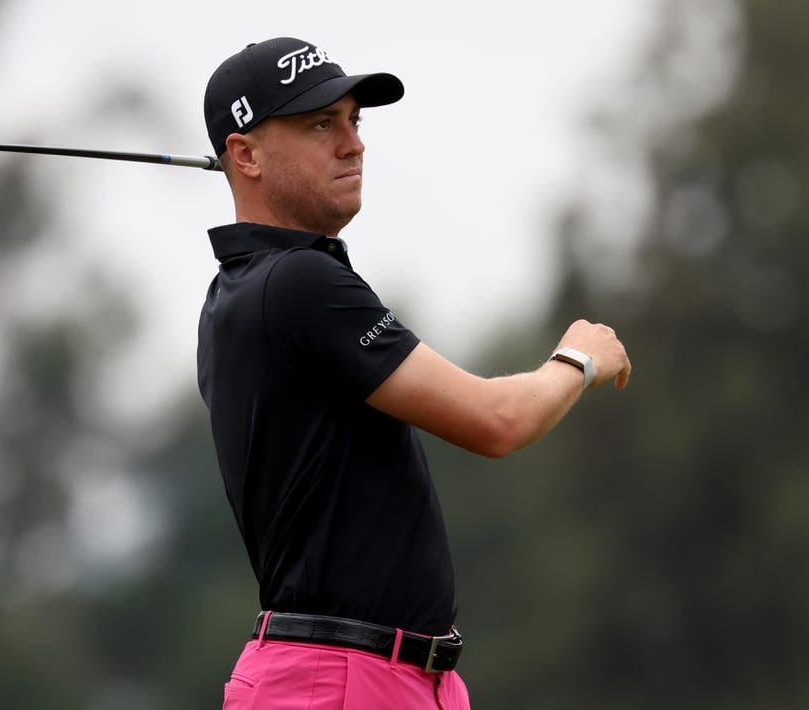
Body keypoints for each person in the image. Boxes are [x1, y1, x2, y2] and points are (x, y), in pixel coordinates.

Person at [196, 37, 631, 710]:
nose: (353, 144)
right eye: (320, 125)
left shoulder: (247, 288)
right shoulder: (297, 282)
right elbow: (498, 420)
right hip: (341, 679)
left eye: (353, 120)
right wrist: (578, 358)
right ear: (245, 154)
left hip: (386, 676)